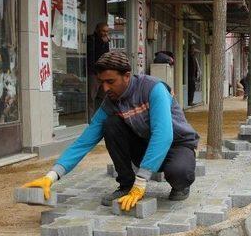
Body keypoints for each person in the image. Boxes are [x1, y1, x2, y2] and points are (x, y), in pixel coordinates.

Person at [21, 51, 200, 211]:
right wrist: (51, 176)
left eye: (110, 81)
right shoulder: (111, 103)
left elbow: (163, 136)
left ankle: (180, 185)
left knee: (179, 173)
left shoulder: (153, 89)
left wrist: (142, 180)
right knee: (111, 124)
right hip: (146, 147)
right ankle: (126, 185)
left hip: (176, 145)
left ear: (127, 76)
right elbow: (84, 142)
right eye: (102, 82)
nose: (105, 88)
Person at [87, 22, 111, 114]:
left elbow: (106, 56)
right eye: (103, 31)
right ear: (97, 30)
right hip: (93, 73)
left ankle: (101, 117)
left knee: (104, 97)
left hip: (103, 73)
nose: (105, 33)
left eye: (107, 31)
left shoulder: (105, 41)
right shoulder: (91, 39)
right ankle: (91, 120)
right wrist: (102, 43)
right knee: (91, 98)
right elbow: (92, 55)